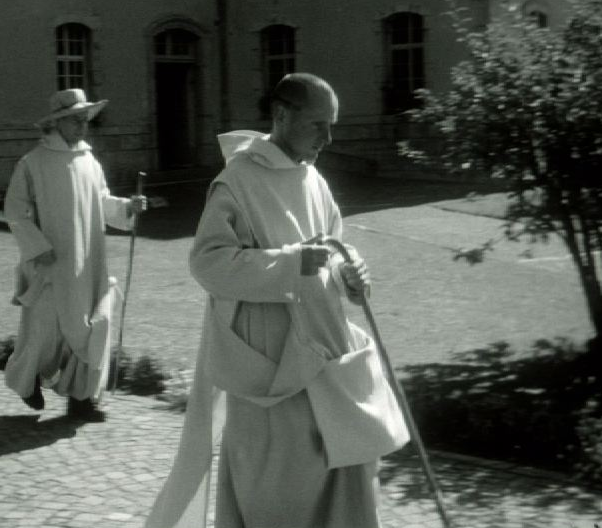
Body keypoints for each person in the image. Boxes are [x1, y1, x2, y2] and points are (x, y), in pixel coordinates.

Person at [145, 73, 409, 528]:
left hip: (325, 352)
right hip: (270, 363)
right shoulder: (237, 182)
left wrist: (353, 274)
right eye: (318, 125)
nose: (328, 138)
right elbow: (207, 263)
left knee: (345, 464)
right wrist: (292, 264)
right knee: (281, 490)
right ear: (282, 116)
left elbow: (336, 247)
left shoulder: (314, 179)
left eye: (331, 125)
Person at [3, 88, 146, 422]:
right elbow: (15, 212)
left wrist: (128, 208)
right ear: (57, 123)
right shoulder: (32, 164)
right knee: (43, 331)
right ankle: (27, 383)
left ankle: (82, 400)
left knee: (90, 326)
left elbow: (103, 202)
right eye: (76, 120)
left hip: (88, 262)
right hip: (50, 265)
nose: (83, 126)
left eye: (85, 119)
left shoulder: (89, 162)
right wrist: (38, 248)